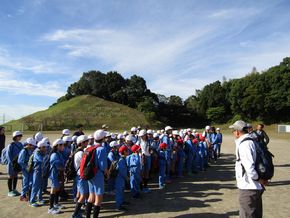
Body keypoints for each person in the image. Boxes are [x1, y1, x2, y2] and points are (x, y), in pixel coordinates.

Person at [229, 120, 268, 218]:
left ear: (238, 131)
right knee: (256, 214)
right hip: (255, 186)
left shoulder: (244, 144)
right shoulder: (251, 141)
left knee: (247, 214)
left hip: (249, 186)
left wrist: (258, 179)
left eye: (233, 130)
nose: (233, 133)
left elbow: (249, 167)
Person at [86, 130, 108, 218]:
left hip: (89, 174)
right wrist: (107, 172)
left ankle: (87, 216)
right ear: (103, 138)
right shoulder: (101, 149)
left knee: (91, 196)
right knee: (99, 198)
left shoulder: (90, 148)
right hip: (98, 175)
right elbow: (103, 166)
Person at [72, 135, 89, 218]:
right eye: (86, 141)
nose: (87, 143)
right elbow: (86, 163)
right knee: (84, 195)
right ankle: (75, 214)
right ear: (82, 143)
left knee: (80, 194)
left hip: (79, 175)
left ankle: (77, 211)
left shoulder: (78, 151)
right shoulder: (80, 153)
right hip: (81, 176)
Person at [48, 139, 65, 215]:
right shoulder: (54, 154)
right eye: (62, 145)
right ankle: (50, 208)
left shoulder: (59, 153)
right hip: (55, 174)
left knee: (57, 188)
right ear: (58, 146)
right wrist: (65, 169)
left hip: (58, 174)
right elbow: (58, 166)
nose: (63, 146)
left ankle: (56, 203)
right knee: (53, 189)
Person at [30, 140, 47, 207]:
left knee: (41, 186)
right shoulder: (36, 153)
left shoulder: (43, 152)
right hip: (37, 172)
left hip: (41, 171)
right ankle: (32, 201)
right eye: (44, 147)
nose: (45, 148)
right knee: (35, 186)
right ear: (40, 147)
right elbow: (42, 160)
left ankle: (40, 198)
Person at [18, 137, 35, 202]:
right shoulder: (23, 151)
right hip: (25, 170)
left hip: (30, 169)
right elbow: (20, 161)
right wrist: (26, 167)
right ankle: (23, 196)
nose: (33, 146)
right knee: (25, 183)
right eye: (32, 145)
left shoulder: (30, 150)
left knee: (30, 182)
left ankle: (28, 195)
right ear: (28, 144)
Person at [7, 131, 23, 197]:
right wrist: (11, 163)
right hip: (12, 164)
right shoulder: (11, 145)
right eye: (19, 136)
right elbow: (8, 155)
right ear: (15, 137)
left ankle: (14, 189)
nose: (20, 137)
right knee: (11, 176)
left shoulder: (21, 144)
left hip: (18, 163)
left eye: (20, 136)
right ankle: (10, 191)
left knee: (16, 176)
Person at [137, 129, 151, 193]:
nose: (141, 137)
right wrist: (140, 154)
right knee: (142, 172)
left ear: (145, 135)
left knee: (147, 172)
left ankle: (145, 187)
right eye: (141, 136)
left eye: (142, 136)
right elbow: (135, 149)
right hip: (142, 157)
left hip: (148, 157)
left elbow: (150, 148)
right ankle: (140, 187)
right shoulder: (139, 141)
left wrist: (151, 151)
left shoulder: (149, 141)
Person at [115, 145, 129, 211]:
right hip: (119, 178)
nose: (128, 151)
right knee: (119, 192)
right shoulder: (121, 160)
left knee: (122, 191)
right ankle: (119, 206)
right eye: (127, 150)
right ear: (124, 152)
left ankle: (122, 202)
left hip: (121, 178)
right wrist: (126, 178)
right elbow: (122, 171)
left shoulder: (123, 159)